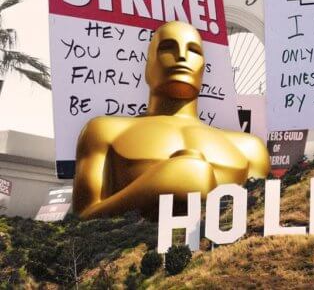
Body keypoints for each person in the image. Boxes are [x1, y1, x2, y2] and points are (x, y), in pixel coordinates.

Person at [73, 21, 269, 219]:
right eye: (167, 47)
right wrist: (156, 186)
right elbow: (81, 218)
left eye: (193, 50)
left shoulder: (248, 148)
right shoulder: (105, 131)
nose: (182, 56)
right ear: (148, 65)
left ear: (203, 69)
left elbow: (261, 218)